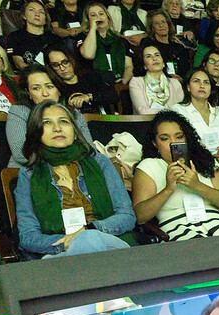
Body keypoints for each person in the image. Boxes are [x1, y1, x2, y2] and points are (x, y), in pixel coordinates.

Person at [15, 101, 135, 258]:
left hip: (108, 243)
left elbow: (127, 216)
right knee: (71, 251)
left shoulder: (99, 162)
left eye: (63, 121)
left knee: (88, 239)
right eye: (47, 123)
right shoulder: (28, 174)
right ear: (36, 131)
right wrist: (68, 242)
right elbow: (28, 236)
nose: (57, 128)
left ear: (74, 129)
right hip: (59, 252)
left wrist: (90, 230)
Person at [132, 110, 219, 240]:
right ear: (155, 143)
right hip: (176, 227)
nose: (173, 143)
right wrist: (168, 189)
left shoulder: (207, 162)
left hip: (218, 223)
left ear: (187, 138)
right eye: (165, 139)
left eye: (179, 137)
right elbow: (140, 216)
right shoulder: (149, 166)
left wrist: (196, 185)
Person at [7, 65, 93, 168]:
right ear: (29, 94)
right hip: (30, 172)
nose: (45, 93)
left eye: (50, 86)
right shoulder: (20, 112)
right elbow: (21, 154)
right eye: (36, 88)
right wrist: (66, 158)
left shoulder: (75, 114)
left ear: (59, 90)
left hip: (74, 172)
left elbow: (89, 149)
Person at [172, 68, 219, 162]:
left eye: (206, 82)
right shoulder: (179, 111)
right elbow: (179, 146)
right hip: (196, 163)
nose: (202, 85)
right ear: (188, 87)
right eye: (196, 81)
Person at [46, 45, 119, 114]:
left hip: (99, 120)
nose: (62, 68)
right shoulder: (54, 87)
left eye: (65, 62)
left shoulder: (90, 77)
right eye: (55, 65)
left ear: (72, 59)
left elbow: (114, 96)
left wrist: (89, 97)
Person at [78, 2, 134, 85]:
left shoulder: (120, 40)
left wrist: (124, 80)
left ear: (108, 18)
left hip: (118, 81)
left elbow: (129, 66)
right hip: (94, 82)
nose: (98, 18)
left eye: (101, 14)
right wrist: (93, 28)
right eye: (93, 15)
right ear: (87, 20)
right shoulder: (83, 37)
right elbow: (89, 55)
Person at [5, 0, 63, 71]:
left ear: (45, 19)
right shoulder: (15, 36)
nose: (37, 14)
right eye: (31, 10)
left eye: (41, 12)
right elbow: (18, 63)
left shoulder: (55, 39)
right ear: (24, 16)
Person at [142, 10, 190, 78]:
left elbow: (187, 70)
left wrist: (182, 80)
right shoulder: (148, 45)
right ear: (152, 28)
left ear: (168, 25)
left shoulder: (179, 47)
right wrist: (168, 77)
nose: (161, 25)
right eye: (156, 23)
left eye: (163, 22)